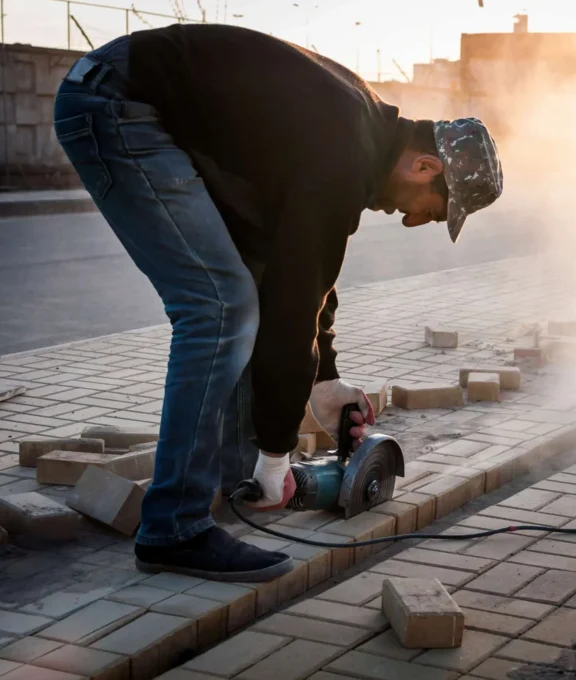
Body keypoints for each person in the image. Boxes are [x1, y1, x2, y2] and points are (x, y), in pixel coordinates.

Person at [53, 24, 504, 582]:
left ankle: (220, 489)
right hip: (118, 104)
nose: (414, 220)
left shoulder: (357, 133)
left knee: (246, 290)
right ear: (426, 167)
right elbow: (294, 309)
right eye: (432, 210)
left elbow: (302, 274)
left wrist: (326, 378)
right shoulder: (343, 151)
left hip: (125, 95)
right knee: (220, 309)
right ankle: (175, 528)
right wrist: (275, 454)